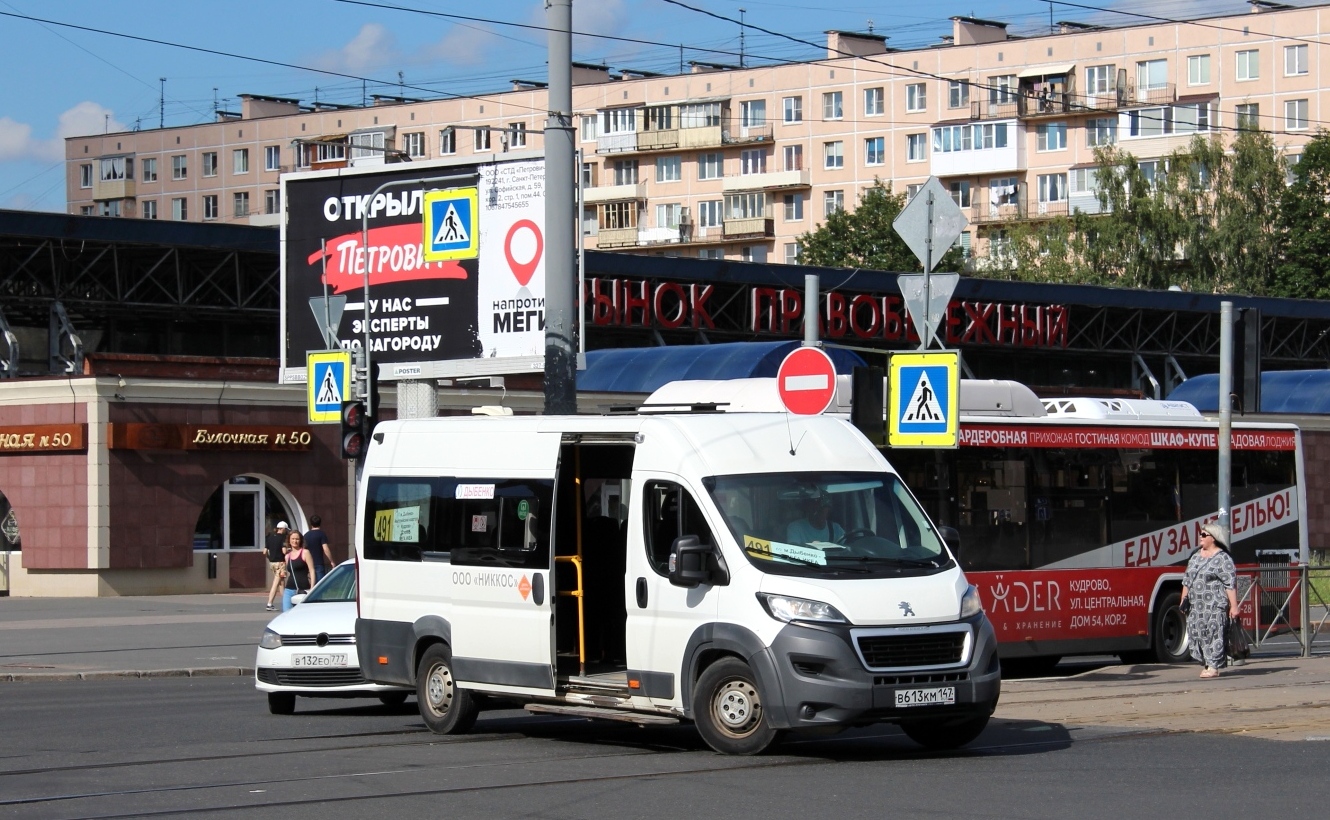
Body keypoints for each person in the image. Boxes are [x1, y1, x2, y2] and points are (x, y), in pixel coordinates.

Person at [1181, 522, 1240, 678]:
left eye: (1204, 535)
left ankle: (1213, 666)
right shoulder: (1195, 556)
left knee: (1214, 633)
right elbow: (1187, 580)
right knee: (1198, 633)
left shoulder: (1223, 558)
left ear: (1213, 538)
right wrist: (1183, 599)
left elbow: (1230, 583)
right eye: (1200, 534)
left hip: (1215, 605)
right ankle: (1207, 663)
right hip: (1196, 606)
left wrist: (1234, 606)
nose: (1200, 537)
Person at [282, 530, 316, 611]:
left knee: (302, 615)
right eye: (293, 539)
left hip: (303, 589)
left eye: (297, 539)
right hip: (289, 590)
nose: (295, 541)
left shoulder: (305, 552)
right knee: (286, 614)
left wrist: (312, 588)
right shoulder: (287, 556)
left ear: (300, 540)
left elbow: (312, 570)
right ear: (289, 540)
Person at [263, 521, 290, 611]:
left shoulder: (270, 537)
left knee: (282, 583)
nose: (286, 532)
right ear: (282, 529)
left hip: (272, 563)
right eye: (286, 530)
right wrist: (289, 550)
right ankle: (269, 603)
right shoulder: (283, 538)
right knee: (276, 582)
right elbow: (284, 552)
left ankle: (286, 602)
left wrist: (270, 558)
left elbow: (264, 551)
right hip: (280, 563)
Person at [303, 515, 334, 582]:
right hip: (319, 562)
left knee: (312, 583)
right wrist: (331, 561)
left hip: (308, 563)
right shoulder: (321, 534)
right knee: (320, 584)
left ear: (311, 523)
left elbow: (303, 549)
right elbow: (325, 549)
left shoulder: (306, 535)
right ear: (320, 523)